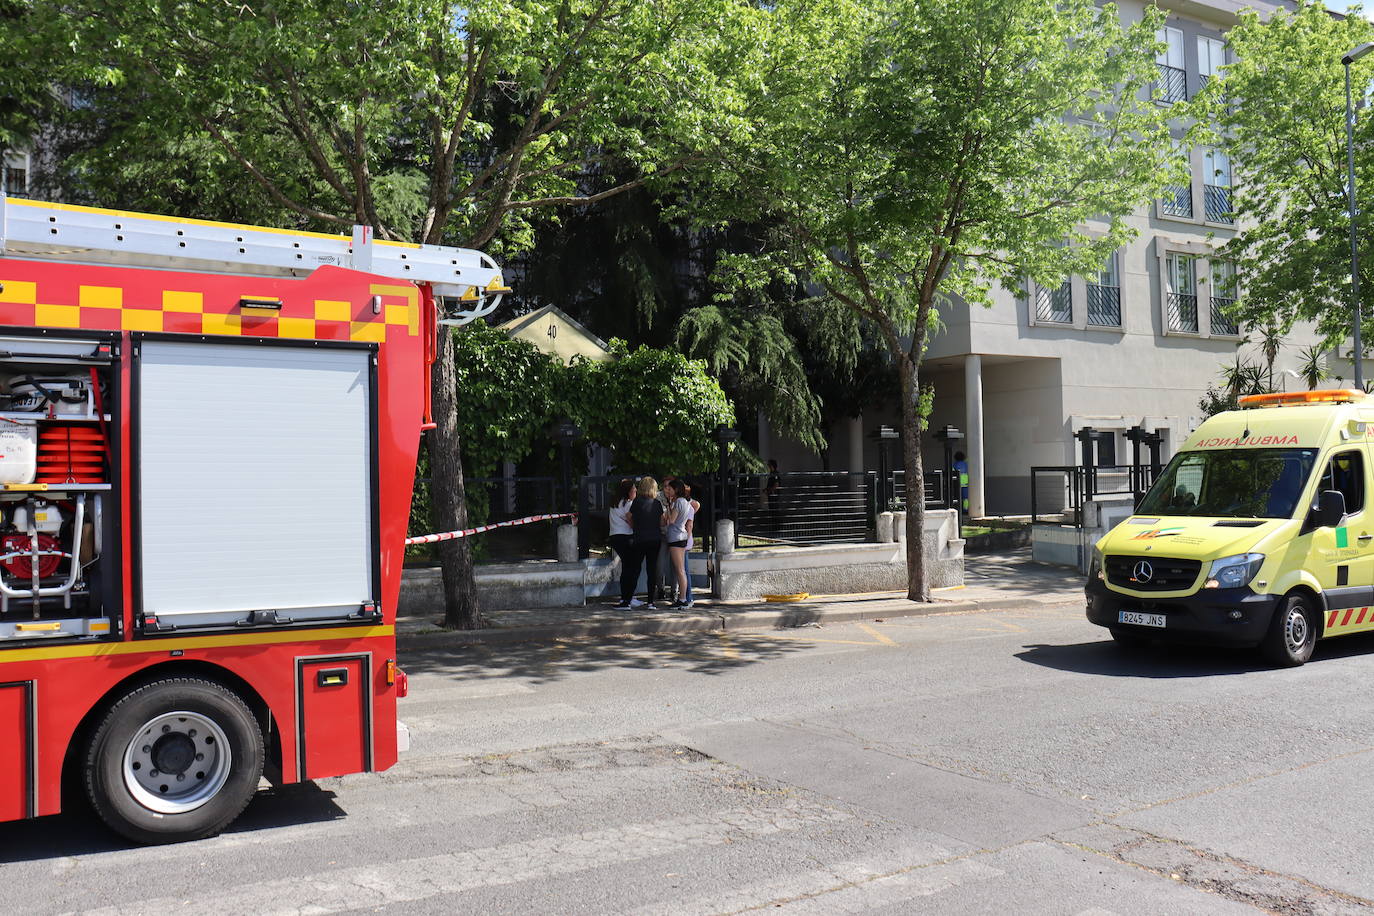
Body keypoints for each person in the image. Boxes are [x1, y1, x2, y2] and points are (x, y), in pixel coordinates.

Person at [629, 475, 664, 605]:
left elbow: (630, 518)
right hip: (655, 539)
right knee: (651, 570)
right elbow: (661, 522)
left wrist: (636, 526)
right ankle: (650, 602)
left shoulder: (636, 502)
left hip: (639, 538)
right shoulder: (657, 503)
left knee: (636, 568)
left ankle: (628, 599)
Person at [608, 478, 641, 609]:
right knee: (631, 568)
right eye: (633, 490)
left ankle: (626, 597)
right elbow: (631, 521)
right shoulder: (628, 504)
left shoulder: (615, 503)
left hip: (615, 536)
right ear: (628, 492)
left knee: (626, 567)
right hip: (626, 537)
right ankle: (627, 599)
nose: (636, 491)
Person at [662, 478, 696, 607]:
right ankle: (683, 598)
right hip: (681, 537)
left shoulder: (678, 503)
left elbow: (671, 520)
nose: (668, 491)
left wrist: (667, 510)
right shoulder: (685, 502)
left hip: (676, 538)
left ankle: (682, 599)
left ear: (676, 490)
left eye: (670, 489)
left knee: (680, 570)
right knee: (681, 570)